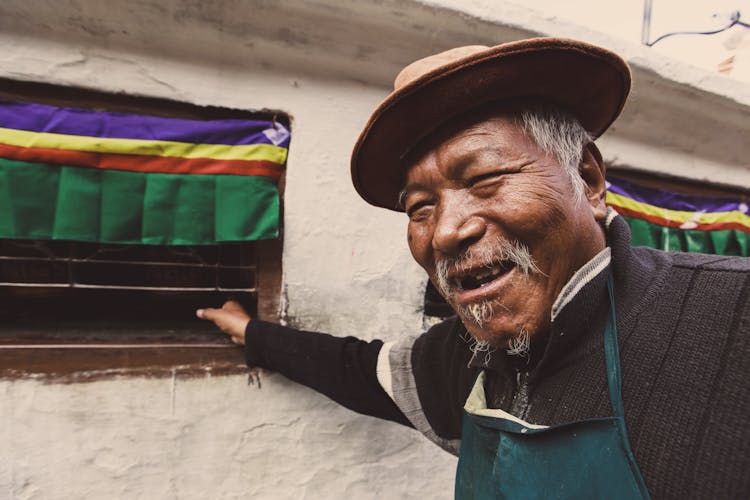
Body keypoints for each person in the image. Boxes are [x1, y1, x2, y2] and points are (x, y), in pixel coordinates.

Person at [197, 38, 750, 499]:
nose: (445, 232)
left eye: (485, 179)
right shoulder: (467, 359)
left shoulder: (732, 321)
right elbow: (357, 371)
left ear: (587, 179)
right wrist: (252, 331)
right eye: (420, 207)